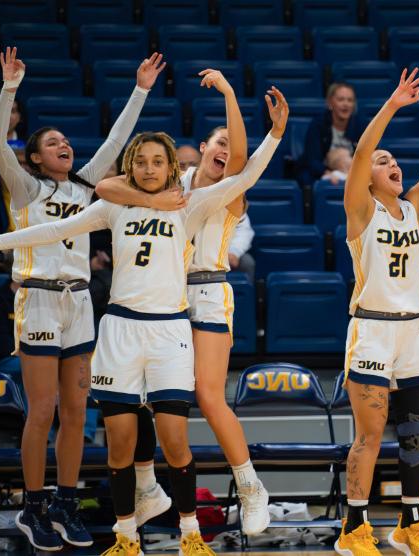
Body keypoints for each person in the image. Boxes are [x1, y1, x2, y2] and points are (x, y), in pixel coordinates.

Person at [0, 110, 285, 554]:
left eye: (157, 162)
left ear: (172, 169)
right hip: (119, 330)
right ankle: (126, 536)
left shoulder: (190, 204)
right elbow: (54, 228)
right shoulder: (112, 205)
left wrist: (276, 134)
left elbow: (243, 177)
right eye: (141, 161)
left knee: (175, 439)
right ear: (132, 168)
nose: (149, 168)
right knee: (121, 442)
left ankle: (191, 536)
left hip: (169, 332)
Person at [0, 47, 163, 552]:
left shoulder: (86, 187)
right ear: (35, 156)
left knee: (78, 413)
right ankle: (31, 506)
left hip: (80, 303)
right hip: (37, 301)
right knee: (42, 410)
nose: (64, 145)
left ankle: (63, 501)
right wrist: (10, 89)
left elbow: (118, 139)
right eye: (51, 142)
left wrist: (141, 88)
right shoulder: (24, 187)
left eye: (65, 141)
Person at [96, 71, 287, 537]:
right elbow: (108, 187)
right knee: (139, 392)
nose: (225, 150)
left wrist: (228, 95)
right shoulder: (170, 182)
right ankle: (145, 485)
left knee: (207, 395)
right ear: (200, 148)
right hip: (162, 298)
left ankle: (250, 486)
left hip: (208, 292)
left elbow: (242, 157)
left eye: (230, 144)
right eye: (217, 142)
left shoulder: (229, 191)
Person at [334, 63, 419, 556]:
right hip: (371, 330)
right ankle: (353, 530)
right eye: (383, 161)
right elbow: (363, 152)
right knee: (370, 435)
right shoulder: (360, 209)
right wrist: (391, 106)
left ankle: (411, 526)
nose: (392, 165)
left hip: (414, 332)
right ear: (367, 176)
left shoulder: (413, 207)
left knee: (415, 435)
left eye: (395, 161)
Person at [298, 82, 359, 186]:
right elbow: (312, 159)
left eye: (350, 100)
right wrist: (328, 173)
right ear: (330, 103)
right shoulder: (318, 124)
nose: (346, 104)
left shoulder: (361, 125)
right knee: (306, 177)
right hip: (323, 169)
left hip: (352, 170)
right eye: (341, 99)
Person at [227, 213, 256, 282]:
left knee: (247, 262)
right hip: (204, 255)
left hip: (230, 253)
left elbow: (243, 232)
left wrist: (234, 252)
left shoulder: (235, 204)